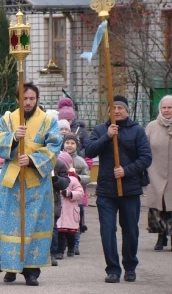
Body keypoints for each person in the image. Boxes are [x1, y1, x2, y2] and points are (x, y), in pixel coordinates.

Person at [0, 82, 63, 286]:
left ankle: (31, 271)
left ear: (37, 99)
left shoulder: (48, 120)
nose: (28, 102)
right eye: (25, 98)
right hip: (11, 180)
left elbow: (55, 145)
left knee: (34, 225)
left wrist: (31, 160)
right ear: (18, 99)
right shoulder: (8, 118)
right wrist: (12, 138)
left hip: (36, 182)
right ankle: (9, 267)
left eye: (32, 98)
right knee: (8, 224)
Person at [85, 95, 152, 283]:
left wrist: (126, 171)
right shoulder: (100, 130)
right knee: (107, 230)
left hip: (130, 190)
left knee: (130, 230)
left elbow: (146, 158)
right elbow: (89, 151)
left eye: (120, 107)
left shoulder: (137, 131)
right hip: (106, 190)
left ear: (127, 110)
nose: (116, 111)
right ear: (108, 111)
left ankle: (130, 266)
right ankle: (113, 269)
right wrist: (107, 136)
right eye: (113, 107)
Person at [144, 95, 172, 250]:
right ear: (160, 109)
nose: (167, 110)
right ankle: (161, 236)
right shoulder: (152, 127)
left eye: (170, 107)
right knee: (159, 206)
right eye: (164, 107)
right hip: (155, 172)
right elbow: (144, 148)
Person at [62, 132, 91, 255]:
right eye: (67, 143)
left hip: (76, 199)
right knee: (62, 222)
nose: (69, 145)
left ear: (77, 145)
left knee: (76, 222)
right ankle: (62, 246)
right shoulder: (59, 158)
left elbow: (88, 177)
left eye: (72, 143)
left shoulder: (80, 161)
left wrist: (78, 177)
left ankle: (75, 245)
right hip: (63, 197)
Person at [55, 152, 84, 259]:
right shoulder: (54, 178)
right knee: (59, 233)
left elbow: (80, 192)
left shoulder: (73, 179)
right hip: (59, 210)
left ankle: (71, 248)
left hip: (69, 210)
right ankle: (60, 251)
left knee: (70, 233)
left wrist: (70, 194)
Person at [50, 157, 70, 266]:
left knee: (52, 229)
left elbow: (66, 182)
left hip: (53, 201)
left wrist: (56, 179)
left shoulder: (58, 164)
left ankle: (52, 253)